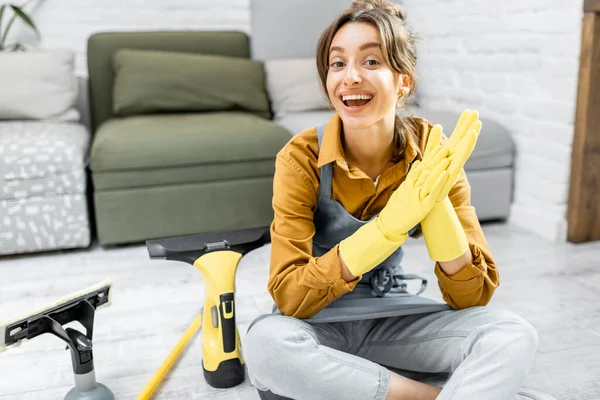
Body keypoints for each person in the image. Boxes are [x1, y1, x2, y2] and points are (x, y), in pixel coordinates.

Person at [243, 1, 554, 399]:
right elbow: (289, 297)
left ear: (404, 81)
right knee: (266, 346)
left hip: (393, 318)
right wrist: (387, 229)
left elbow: (472, 296)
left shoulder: (432, 149)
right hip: (316, 323)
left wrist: (435, 204)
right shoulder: (301, 157)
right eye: (337, 65)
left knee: (511, 333)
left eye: (371, 61)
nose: (350, 77)